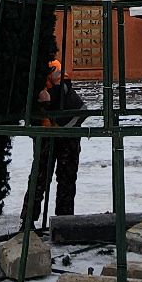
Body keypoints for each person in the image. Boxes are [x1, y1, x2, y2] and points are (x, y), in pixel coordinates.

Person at [21, 58, 87, 230]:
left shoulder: (52, 64)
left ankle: (64, 223)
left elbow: (64, 85)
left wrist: (47, 95)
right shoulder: (24, 66)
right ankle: (28, 222)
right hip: (45, 128)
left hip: (67, 123)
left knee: (66, 175)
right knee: (40, 175)